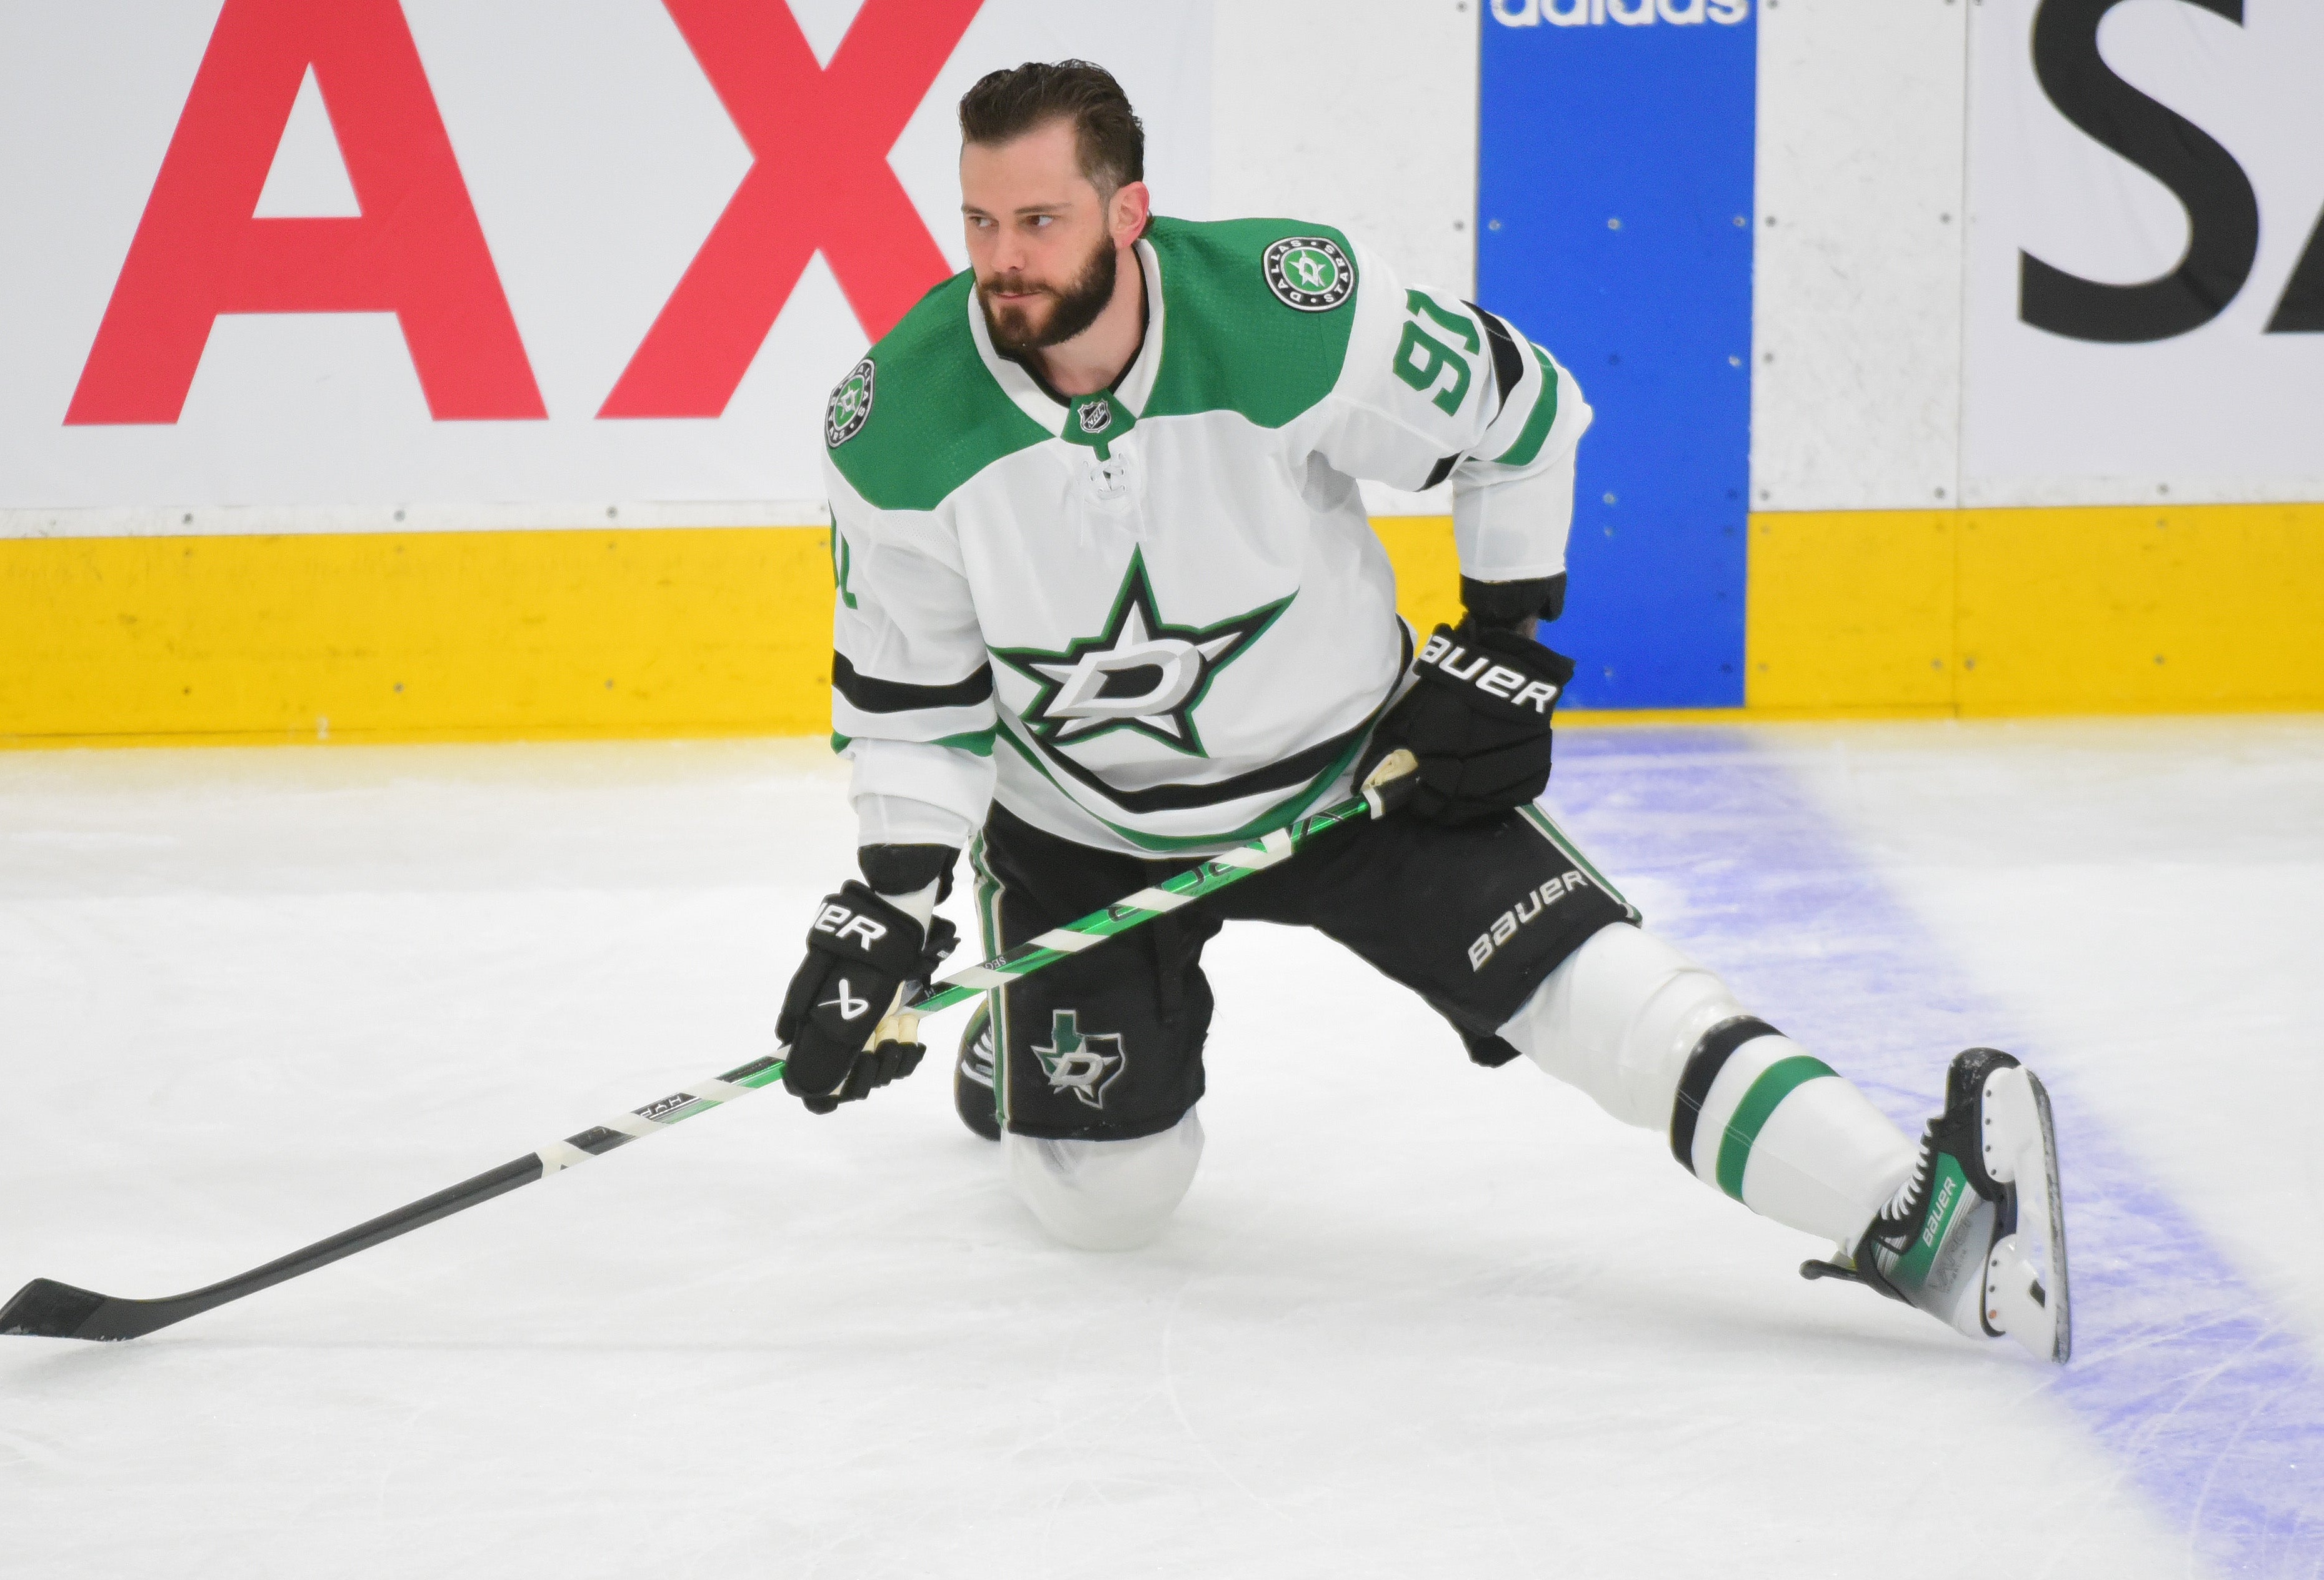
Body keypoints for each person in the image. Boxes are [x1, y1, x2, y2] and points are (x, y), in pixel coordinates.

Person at [772, 61, 2068, 1361]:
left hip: (1354, 769)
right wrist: (896, 897)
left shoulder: (1292, 312)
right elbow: (909, 688)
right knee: (1106, 1207)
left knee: (1598, 993)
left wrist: (1498, 644)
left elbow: (1526, 412)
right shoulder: (893, 426)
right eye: (980, 224)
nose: (1003, 263)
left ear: (1127, 215)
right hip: (1083, 826)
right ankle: (1018, 1048)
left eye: (1039, 221)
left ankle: (1917, 1218)